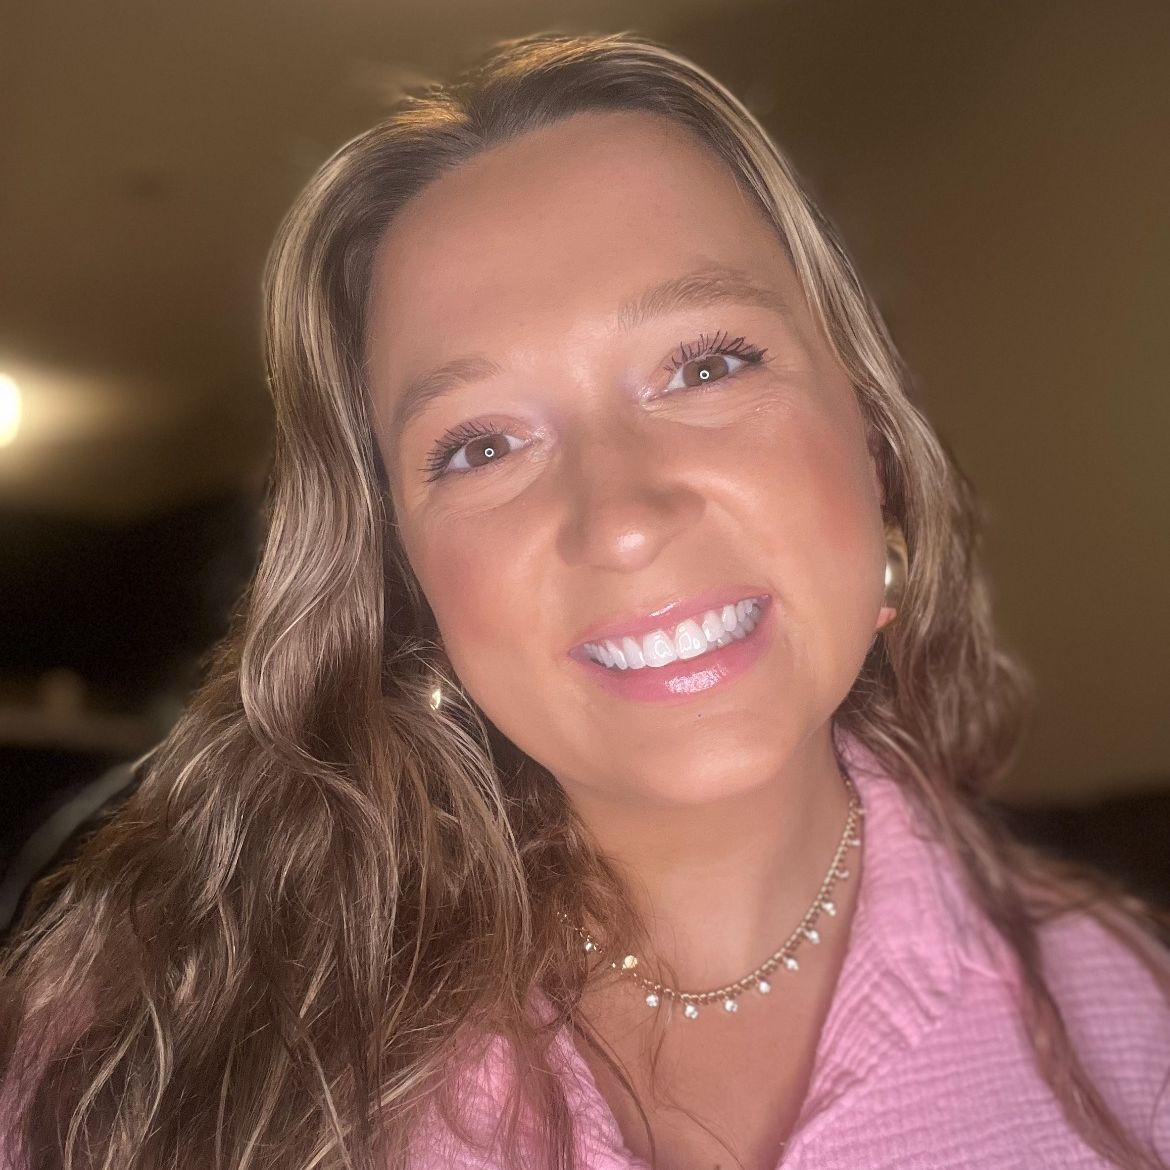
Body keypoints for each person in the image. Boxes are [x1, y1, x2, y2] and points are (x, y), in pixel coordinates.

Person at [2, 29, 1168, 1170]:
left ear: (872, 444)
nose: (620, 519)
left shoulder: (1134, 1037)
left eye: (706, 365)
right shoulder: (130, 1068)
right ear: (405, 584)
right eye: (481, 445)